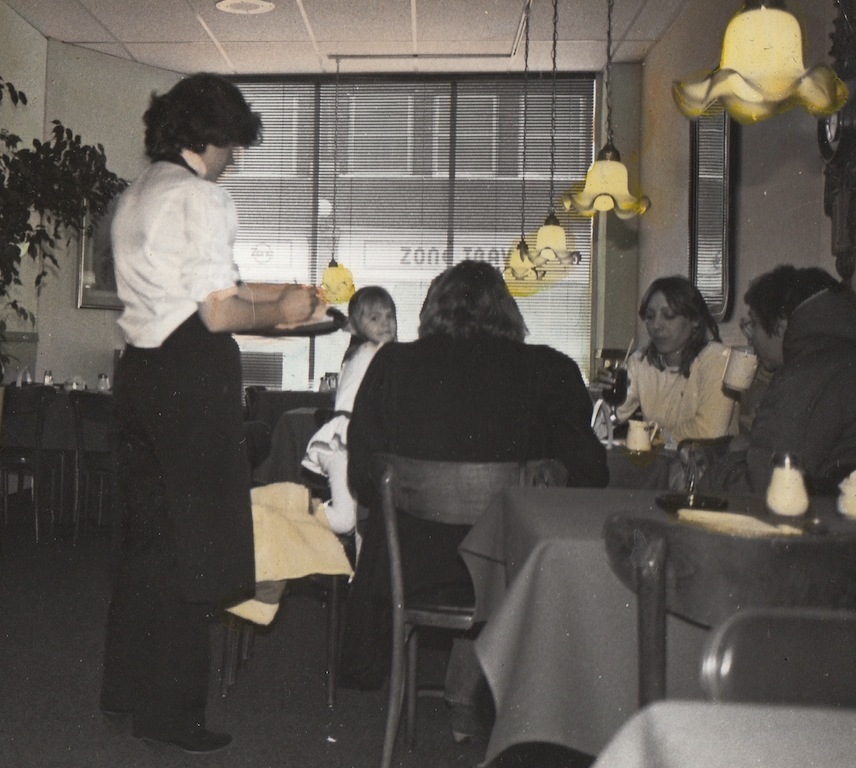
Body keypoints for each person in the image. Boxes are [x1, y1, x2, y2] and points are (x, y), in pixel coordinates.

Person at [100, 73, 329, 753]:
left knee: (147, 543)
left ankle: (124, 694)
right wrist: (283, 314)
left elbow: (204, 288)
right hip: (191, 380)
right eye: (234, 143)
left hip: (141, 374)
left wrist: (286, 295)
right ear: (214, 135)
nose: (236, 156)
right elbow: (220, 310)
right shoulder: (203, 196)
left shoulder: (137, 194)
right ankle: (172, 717)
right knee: (191, 547)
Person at [339, 260, 608, 740]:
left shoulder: (392, 366)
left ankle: (463, 691)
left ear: (432, 310)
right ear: (507, 310)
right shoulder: (551, 369)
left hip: (414, 567)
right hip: (512, 571)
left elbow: (362, 474)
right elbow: (591, 473)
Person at [700, 265, 856, 493]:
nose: (751, 338)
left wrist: (720, 467)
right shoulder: (841, 356)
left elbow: (766, 487)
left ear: (781, 325)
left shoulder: (806, 374)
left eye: (754, 323)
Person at [302, 286, 397, 552]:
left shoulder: (365, 353)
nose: (385, 324)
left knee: (360, 518)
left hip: (353, 440)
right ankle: (298, 510)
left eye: (390, 316)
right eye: (374, 318)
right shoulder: (370, 352)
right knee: (345, 521)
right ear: (356, 326)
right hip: (343, 443)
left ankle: (357, 580)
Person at [616, 275, 737, 446]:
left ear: (694, 320)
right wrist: (605, 402)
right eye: (650, 317)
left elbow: (708, 431)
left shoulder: (716, 358)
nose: (656, 326)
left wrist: (650, 437)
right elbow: (608, 420)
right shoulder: (640, 362)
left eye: (669, 316)